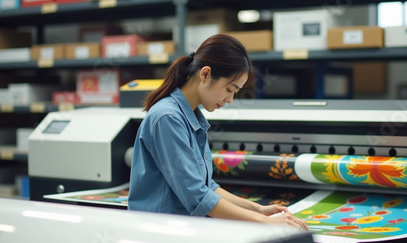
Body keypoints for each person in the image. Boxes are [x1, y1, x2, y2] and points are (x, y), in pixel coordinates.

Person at [128, 34, 307, 230]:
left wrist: (258, 209)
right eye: (230, 89)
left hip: (178, 228)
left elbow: (207, 187)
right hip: (158, 231)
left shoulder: (192, 118)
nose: (230, 99)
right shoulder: (168, 118)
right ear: (205, 75)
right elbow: (197, 195)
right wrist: (266, 222)